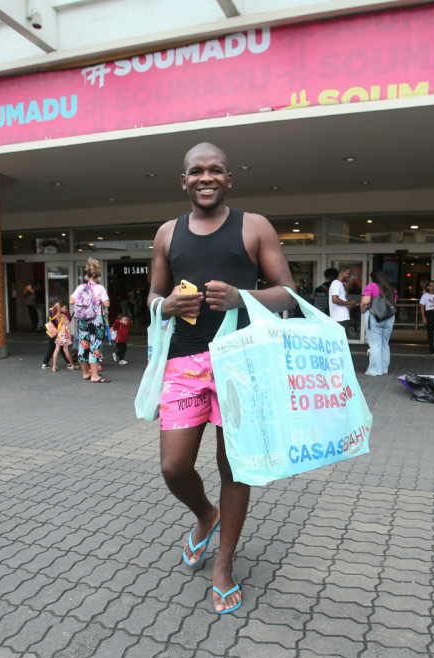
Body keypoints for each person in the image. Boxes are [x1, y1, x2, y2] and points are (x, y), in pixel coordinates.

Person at [148, 142, 295, 614]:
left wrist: (244, 298)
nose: (205, 177)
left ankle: (224, 564)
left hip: (241, 362)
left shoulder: (254, 227)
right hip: (183, 362)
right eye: (196, 171)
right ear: (184, 180)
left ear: (229, 179)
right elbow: (152, 296)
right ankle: (205, 514)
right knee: (174, 467)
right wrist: (164, 305)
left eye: (215, 171)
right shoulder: (168, 234)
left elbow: (288, 293)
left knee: (235, 467)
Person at [71, 258, 112, 383]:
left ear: (86, 275)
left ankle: (85, 373)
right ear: (98, 275)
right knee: (95, 345)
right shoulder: (99, 288)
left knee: (83, 344)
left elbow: (71, 300)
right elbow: (107, 304)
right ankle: (94, 375)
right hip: (96, 320)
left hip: (83, 319)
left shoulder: (80, 287)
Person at [361, 269, 396, 376]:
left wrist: (362, 312)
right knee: (385, 344)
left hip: (375, 318)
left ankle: (375, 370)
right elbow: (394, 304)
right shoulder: (391, 288)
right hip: (389, 318)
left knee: (375, 345)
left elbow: (365, 302)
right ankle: (384, 368)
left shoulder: (371, 286)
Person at [44, 302, 76, 371]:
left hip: (59, 335)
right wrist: (54, 307)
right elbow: (58, 304)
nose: (66, 309)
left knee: (56, 349)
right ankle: (72, 365)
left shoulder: (59, 315)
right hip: (64, 335)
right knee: (65, 350)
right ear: (60, 308)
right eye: (65, 308)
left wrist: (54, 308)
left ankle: (54, 366)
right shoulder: (60, 315)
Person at [328, 266, 357, 335]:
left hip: (341, 318)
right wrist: (349, 303)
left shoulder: (340, 284)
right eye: (348, 274)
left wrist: (349, 306)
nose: (350, 276)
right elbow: (334, 299)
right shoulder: (336, 284)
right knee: (340, 342)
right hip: (340, 319)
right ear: (342, 273)